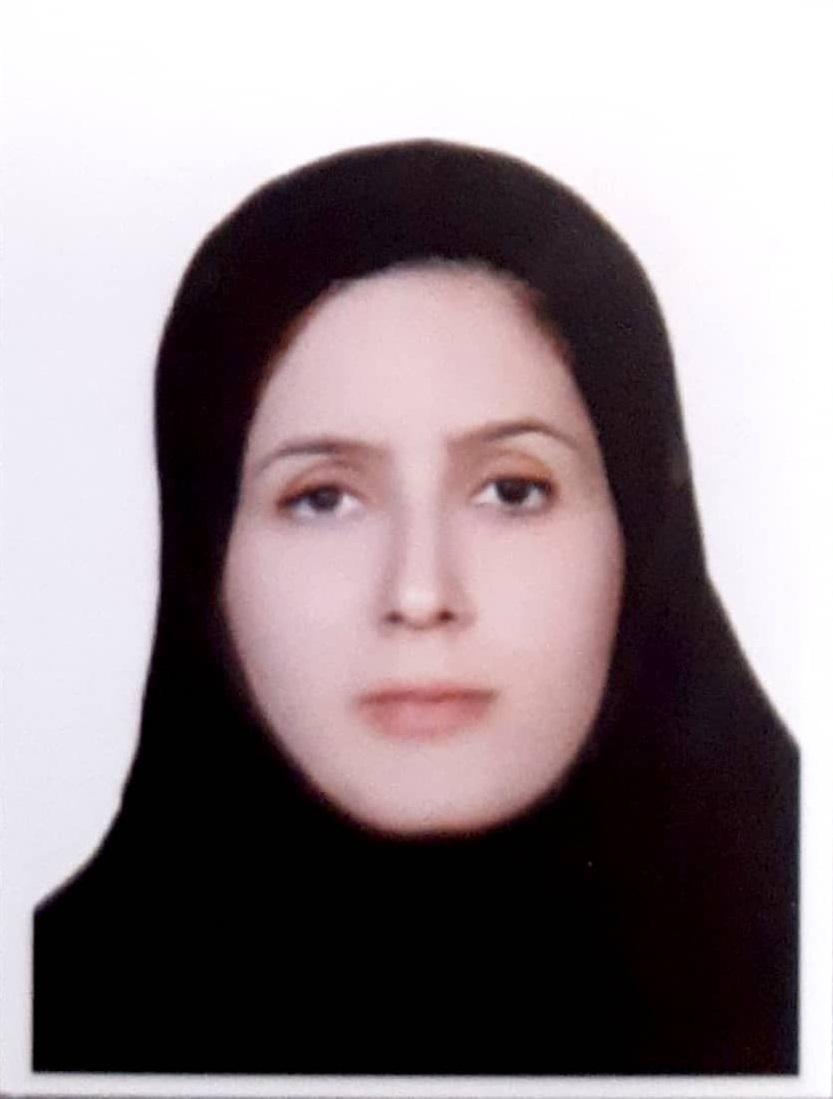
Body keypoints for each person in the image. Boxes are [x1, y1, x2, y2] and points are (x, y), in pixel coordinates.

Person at [32, 139, 798, 1076]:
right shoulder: (41, 1015)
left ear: (642, 530)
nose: (419, 593)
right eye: (322, 498)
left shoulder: (803, 967)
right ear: (205, 555)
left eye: (511, 490)